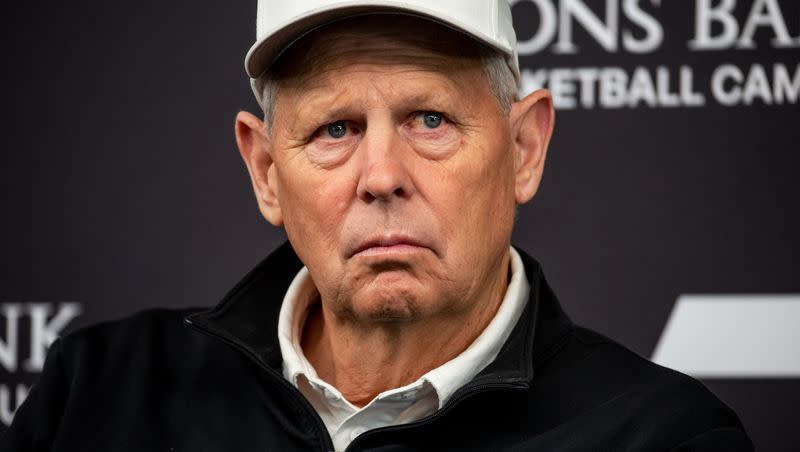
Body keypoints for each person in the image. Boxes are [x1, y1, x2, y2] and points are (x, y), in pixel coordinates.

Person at [2, 1, 752, 451]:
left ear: (524, 148)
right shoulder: (98, 395)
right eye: (335, 128)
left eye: (429, 119)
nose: (382, 175)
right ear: (266, 170)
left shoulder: (663, 438)